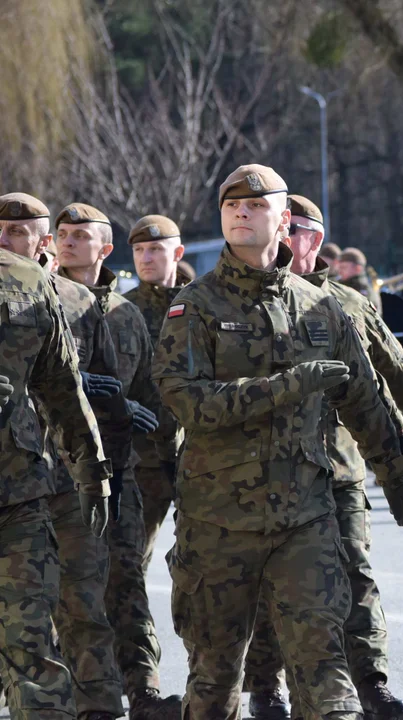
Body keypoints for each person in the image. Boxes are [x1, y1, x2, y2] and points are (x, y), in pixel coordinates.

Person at [152, 164, 403, 718]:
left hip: (305, 518)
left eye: (254, 204)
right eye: (230, 206)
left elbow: (363, 394)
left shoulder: (321, 304)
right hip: (217, 522)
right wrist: (287, 386)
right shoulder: (194, 305)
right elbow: (189, 404)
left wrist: (393, 464)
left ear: (285, 220)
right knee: (215, 677)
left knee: (324, 667)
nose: (241, 212)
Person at [241, 194, 403, 720]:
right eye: (281, 225)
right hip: (270, 472)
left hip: (341, 469)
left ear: (315, 240)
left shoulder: (348, 302)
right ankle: (265, 686)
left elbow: (398, 375)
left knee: (356, 576)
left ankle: (371, 682)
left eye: (296, 228)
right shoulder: (250, 300)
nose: (284, 236)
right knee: (270, 586)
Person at [55, 203, 180, 719]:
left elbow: (155, 394)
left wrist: (165, 449)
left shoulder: (127, 317)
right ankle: (68, 690)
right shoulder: (45, 303)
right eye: (61, 235)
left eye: (80, 236)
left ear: (104, 249)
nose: (67, 243)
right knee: (64, 589)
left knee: (126, 578)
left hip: (120, 472)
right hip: (56, 474)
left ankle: (143, 688)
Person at [0, 194, 116, 720]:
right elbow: (65, 392)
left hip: (22, 494)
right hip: (24, 486)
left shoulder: (36, 288)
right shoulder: (35, 285)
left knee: (31, 645)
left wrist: (94, 476)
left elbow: (64, 392)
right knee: (30, 652)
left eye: (17, 231)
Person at [123, 215, 189, 580]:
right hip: (143, 458)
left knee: (205, 566)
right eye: (138, 250)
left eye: (155, 249)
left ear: (177, 252)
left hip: (198, 457)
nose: (145, 258)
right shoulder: (120, 310)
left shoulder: (202, 304)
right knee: (129, 563)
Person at [338, 247, 382, 315]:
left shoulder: (365, 292)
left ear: (358, 268)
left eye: (344, 267)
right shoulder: (339, 285)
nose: (340, 271)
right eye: (340, 268)